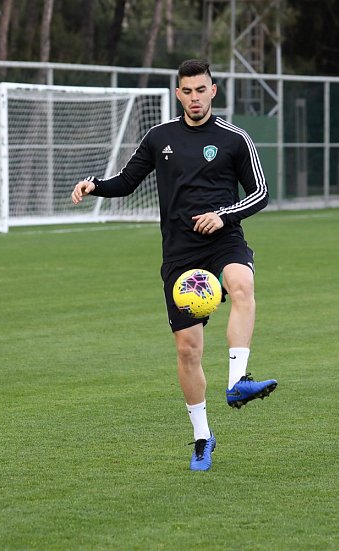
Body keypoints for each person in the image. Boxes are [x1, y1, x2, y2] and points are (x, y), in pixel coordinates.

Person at [71, 59, 277, 472]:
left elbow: (261, 192)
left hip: (223, 241)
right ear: (178, 93)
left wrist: (223, 215)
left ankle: (237, 382)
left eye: (201, 90)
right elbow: (127, 181)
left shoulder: (234, 138)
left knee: (241, 284)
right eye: (187, 91)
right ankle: (202, 437)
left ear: (213, 91)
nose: (195, 98)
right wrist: (95, 185)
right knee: (188, 350)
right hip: (180, 254)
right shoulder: (159, 137)